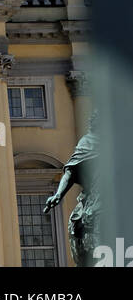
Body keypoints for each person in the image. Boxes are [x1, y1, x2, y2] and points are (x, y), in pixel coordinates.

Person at [44, 111, 100, 266]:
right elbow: (70, 171)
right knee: (75, 224)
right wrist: (58, 195)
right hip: (94, 196)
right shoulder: (88, 142)